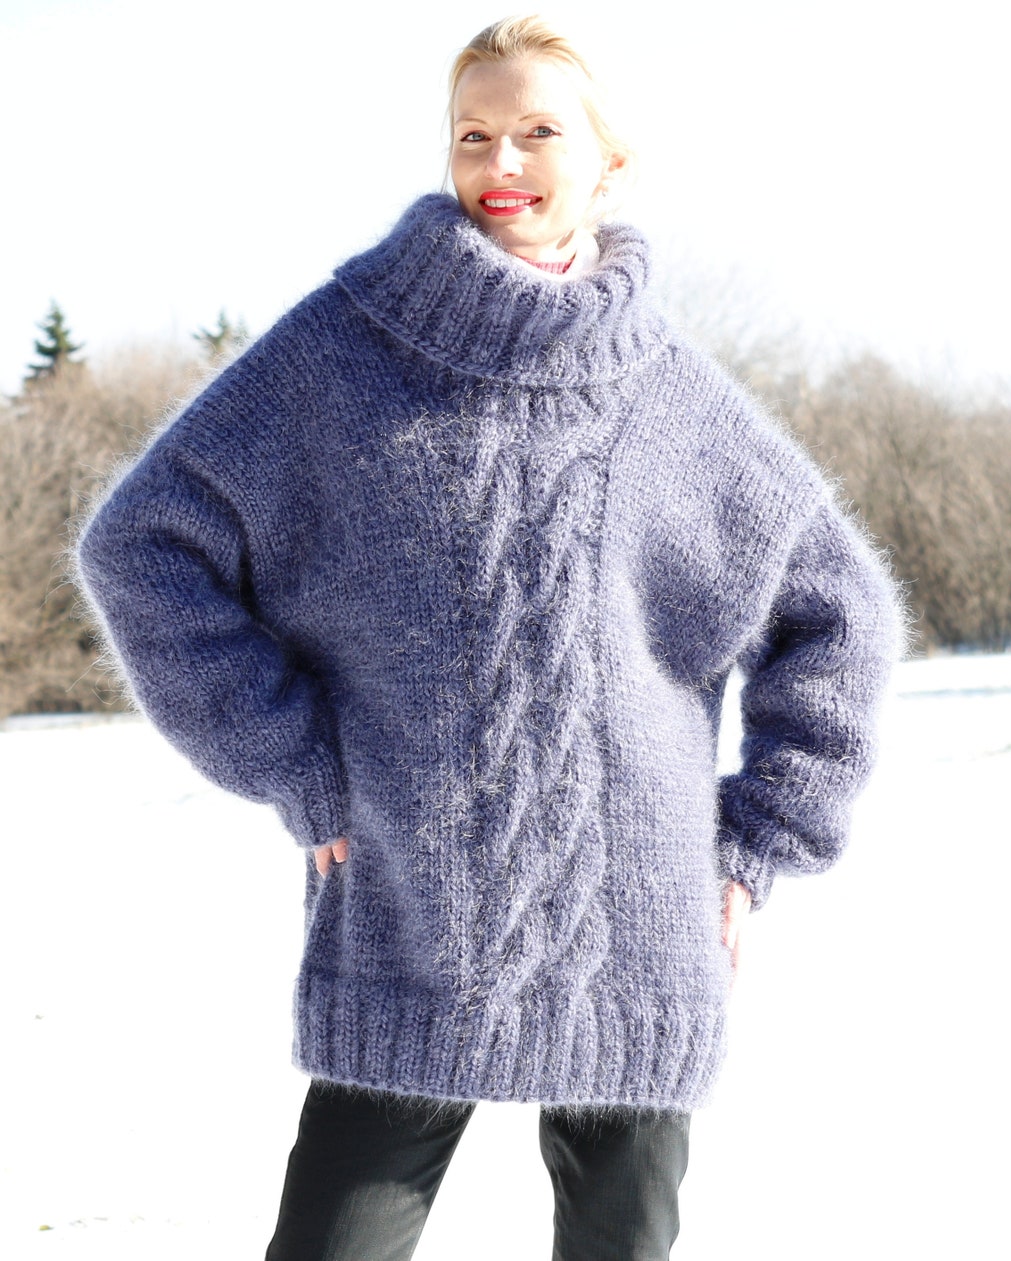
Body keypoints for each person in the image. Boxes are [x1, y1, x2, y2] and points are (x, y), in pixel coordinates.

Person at [75, 15, 901, 1261]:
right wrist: (292, 759)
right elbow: (142, 545)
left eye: (537, 131)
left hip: (637, 928)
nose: (500, 161)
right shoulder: (342, 352)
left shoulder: (670, 398)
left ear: (609, 164)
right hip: (406, 902)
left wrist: (758, 843)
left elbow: (841, 612)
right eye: (473, 135)